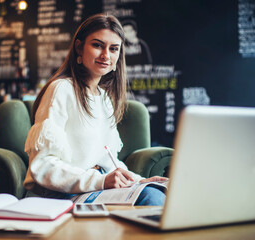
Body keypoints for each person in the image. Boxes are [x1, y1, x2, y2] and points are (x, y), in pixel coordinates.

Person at [23, 13, 167, 205]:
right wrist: (100, 180)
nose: (106, 55)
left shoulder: (104, 98)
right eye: (97, 45)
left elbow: (108, 162)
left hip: (93, 189)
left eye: (114, 48)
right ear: (79, 48)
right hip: (63, 194)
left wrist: (140, 181)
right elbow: (43, 166)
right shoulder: (61, 89)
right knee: (152, 198)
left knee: (161, 193)